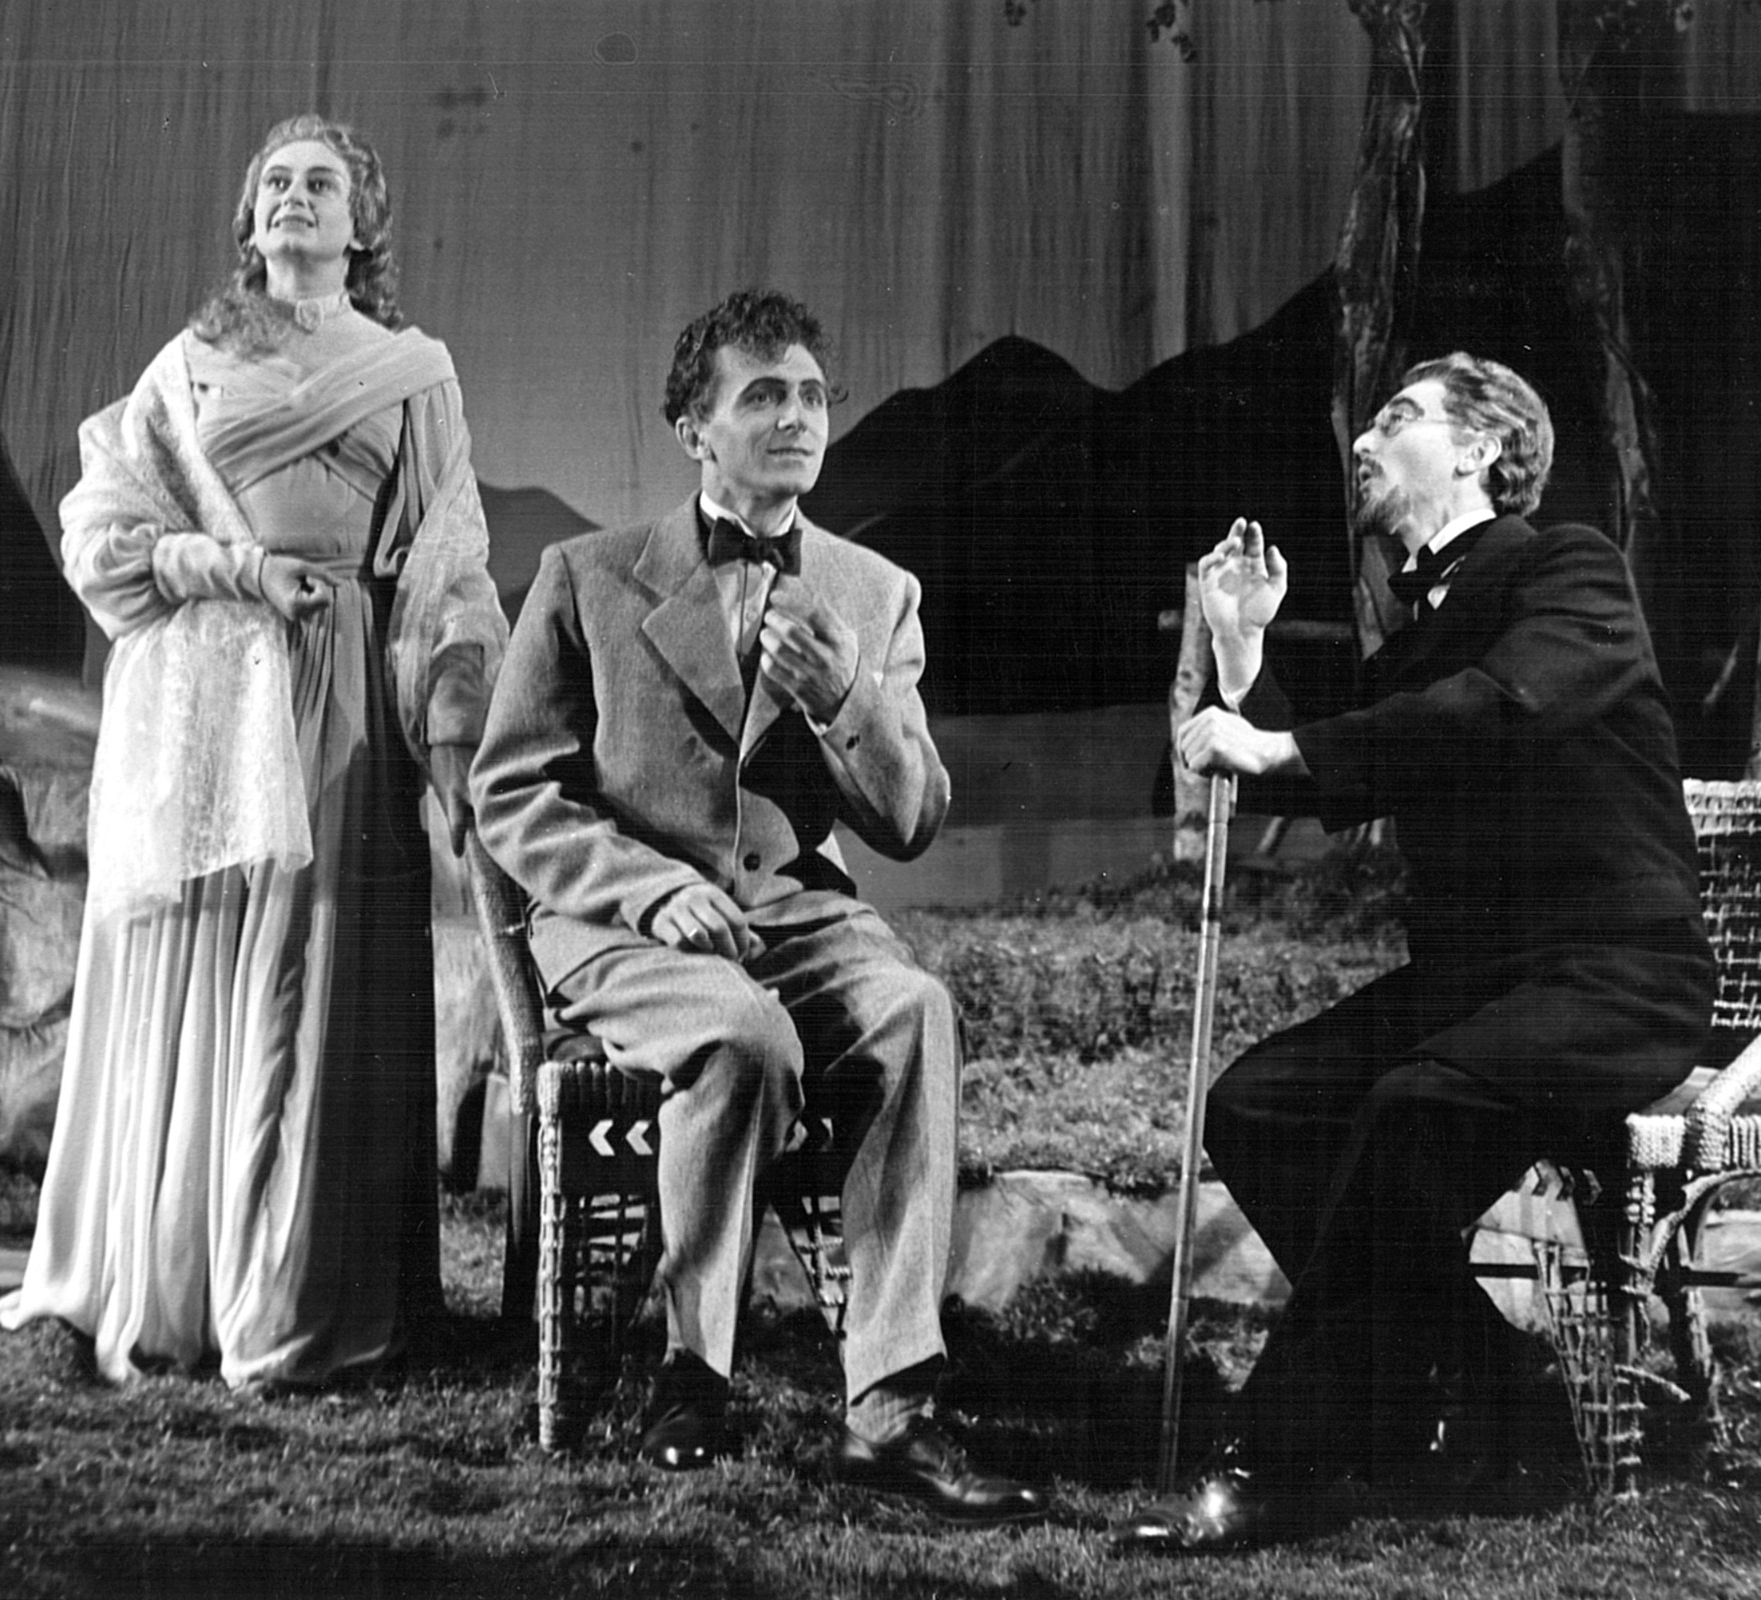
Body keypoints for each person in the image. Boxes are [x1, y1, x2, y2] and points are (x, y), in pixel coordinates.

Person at [1118, 353, 1715, 1551]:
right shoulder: (1425, 628)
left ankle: (1284, 1458)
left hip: (1618, 975)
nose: (1363, 438)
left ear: (1482, 451)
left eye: (1398, 416)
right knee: (1262, 1105)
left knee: (1415, 1104)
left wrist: (1281, 748)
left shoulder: (1570, 570)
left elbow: (1499, 709)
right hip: (1479, 988)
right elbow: (1346, 761)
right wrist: (1240, 655)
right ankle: (1491, 1381)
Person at [475, 288, 1045, 1523]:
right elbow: (511, 793)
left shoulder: (874, 591)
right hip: (625, 927)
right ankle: (694, 1368)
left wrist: (847, 699)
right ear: (695, 427)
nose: (797, 418)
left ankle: (890, 1406)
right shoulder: (586, 577)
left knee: (914, 1011)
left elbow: (910, 821)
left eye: (813, 396)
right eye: (763, 395)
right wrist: (650, 889)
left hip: (795, 916)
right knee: (743, 1037)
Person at [0, 114, 509, 1391]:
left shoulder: (414, 374)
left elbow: (449, 559)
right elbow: (104, 532)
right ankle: (183, 1283)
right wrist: (231, 568)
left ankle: (292, 1295)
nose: (293, 197)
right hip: (216, 705)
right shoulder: (190, 366)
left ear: (362, 224)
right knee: (209, 965)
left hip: (346, 699)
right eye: (274, 181)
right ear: (250, 219)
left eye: (321, 183)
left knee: (317, 974)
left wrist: (452, 707)